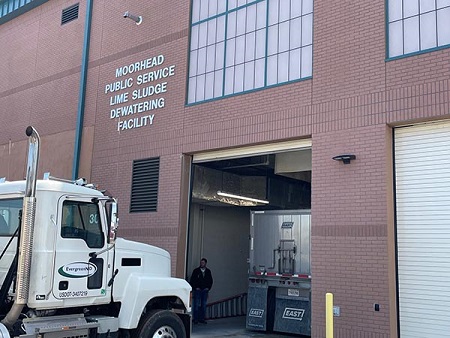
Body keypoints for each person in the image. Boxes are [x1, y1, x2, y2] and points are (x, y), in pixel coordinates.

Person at [190, 258, 213, 324]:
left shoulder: (208, 271)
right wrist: (195, 287)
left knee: (203, 305)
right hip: (197, 290)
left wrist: (208, 288)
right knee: (196, 304)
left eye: (203, 263)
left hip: (205, 290)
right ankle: (195, 319)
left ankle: (202, 318)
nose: (201, 264)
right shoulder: (196, 271)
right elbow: (192, 280)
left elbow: (210, 281)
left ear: (205, 263)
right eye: (201, 262)